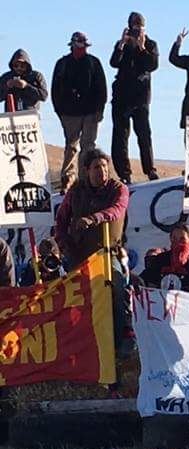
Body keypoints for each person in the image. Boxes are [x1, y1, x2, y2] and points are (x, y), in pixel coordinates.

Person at [54, 149, 130, 352]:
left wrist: (94, 218)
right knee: (75, 298)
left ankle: (122, 339)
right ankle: (77, 344)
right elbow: (61, 219)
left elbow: (117, 210)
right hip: (79, 255)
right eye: (97, 167)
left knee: (117, 288)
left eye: (105, 167)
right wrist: (63, 244)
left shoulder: (119, 189)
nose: (102, 172)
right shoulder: (76, 191)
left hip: (107, 253)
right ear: (87, 170)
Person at [52, 32, 108, 193]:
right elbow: (55, 89)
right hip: (69, 113)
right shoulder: (62, 64)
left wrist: (100, 109)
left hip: (91, 111)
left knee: (88, 146)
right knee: (71, 146)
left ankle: (86, 179)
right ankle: (68, 179)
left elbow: (101, 88)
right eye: (80, 43)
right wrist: (60, 112)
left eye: (84, 44)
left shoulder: (93, 62)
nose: (82, 47)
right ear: (73, 44)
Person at [110, 12, 160, 184]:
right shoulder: (122, 43)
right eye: (134, 25)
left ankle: (150, 170)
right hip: (122, 97)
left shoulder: (151, 44)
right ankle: (124, 173)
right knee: (120, 136)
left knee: (144, 135)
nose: (137, 29)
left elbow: (152, 65)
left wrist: (142, 47)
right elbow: (114, 62)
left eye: (140, 25)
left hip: (140, 98)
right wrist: (122, 44)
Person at [140, 223, 189, 292]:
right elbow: (143, 280)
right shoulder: (161, 259)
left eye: (182, 239)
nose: (178, 243)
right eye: (174, 239)